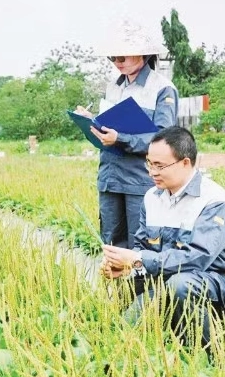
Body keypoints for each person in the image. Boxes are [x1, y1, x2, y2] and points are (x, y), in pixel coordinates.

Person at [101, 126, 225, 346]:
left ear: (185, 163)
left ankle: (209, 353)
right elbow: (143, 247)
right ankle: (140, 340)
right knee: (128, 280)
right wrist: (124, 265)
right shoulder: (151, 197)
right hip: (170, 281)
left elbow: (197, 258)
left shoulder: (213, 200)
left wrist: (138, 260)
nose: (152, 172)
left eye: (160, 166)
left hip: (221, 284)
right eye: (149, 163)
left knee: (181, 283)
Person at [76, 19, 179, 249]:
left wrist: (120, 138)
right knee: (111, 242)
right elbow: (106, 132)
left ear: (142, 54)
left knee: (141, 244)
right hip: (110, 178)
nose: (117, 63)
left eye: (122, 57)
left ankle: (141, 287)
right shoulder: (113, 86)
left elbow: (164, 140)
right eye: (113, 58)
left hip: (140, 180)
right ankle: (116, 287)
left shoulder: (162, 88)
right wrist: (90, 123)